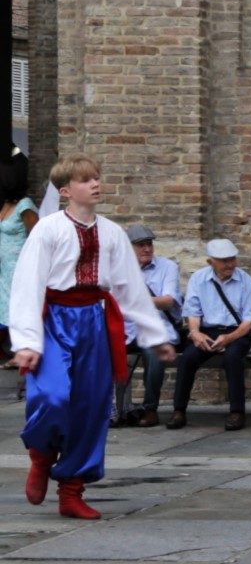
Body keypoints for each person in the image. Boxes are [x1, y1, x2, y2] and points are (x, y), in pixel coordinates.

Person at [8, 156, 175, 518]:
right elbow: (27, 284)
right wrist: (27, 341)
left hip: (94, 322)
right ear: (66, 191)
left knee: (91, 406)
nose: (95, 184)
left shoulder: (112, 233)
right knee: (51, 396)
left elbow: (130, 287)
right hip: (55, 320)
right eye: (86, 180)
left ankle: (72, 490)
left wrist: (154, 335)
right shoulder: (48, 229)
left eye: (97, 178)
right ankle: (41, 454)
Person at [171, 238, 251, 432]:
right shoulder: (198, 278)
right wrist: (195, 333)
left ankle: (237, 411)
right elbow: (193, 312)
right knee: (188, 358)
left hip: (237, 332)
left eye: (232, 259)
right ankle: (179, 410)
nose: (231, 264)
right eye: (225, 260)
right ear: (210, 262)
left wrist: (229, 338)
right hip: (207, 331)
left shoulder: (245, 280)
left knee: (232, 358)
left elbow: (250, 320)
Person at [114, 223, 182, 427]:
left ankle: (150, 408)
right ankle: (111, 409)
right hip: (126, 329)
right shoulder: (117, 270)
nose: (147, 249)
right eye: (141, 245)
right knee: (98, 350)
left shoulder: (167, 267)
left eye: (149, 244)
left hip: (155, 328)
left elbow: (168, 301)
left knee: (154, 353)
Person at [0, 154, 39, 364]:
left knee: (16, 309)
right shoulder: (6, 204)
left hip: (17, 269)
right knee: (4, 308)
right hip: (3, 269)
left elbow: (38, 236)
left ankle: (21, 353)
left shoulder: (25, 205)